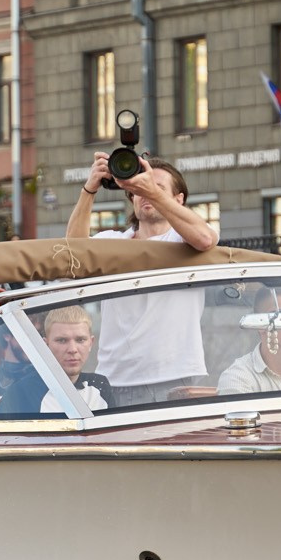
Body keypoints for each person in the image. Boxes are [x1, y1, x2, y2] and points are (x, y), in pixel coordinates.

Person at [64, 154, 217, 406]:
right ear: (131, 197)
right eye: (139, 189)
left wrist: (151, 191)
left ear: (179, 200)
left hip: (173, 377)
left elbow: (205, 239)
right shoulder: (113, 241)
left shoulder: (182, 239)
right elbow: (71, 256)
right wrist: (89, 189)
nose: (147, 193)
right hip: (113, 378)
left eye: (158, 187)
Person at [1, 306, 111, 414]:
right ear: (46, 344)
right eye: (62, 340)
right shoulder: (20, 393)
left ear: (91, 343)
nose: (72, 349)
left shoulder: (100, 384)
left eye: (80, 340)